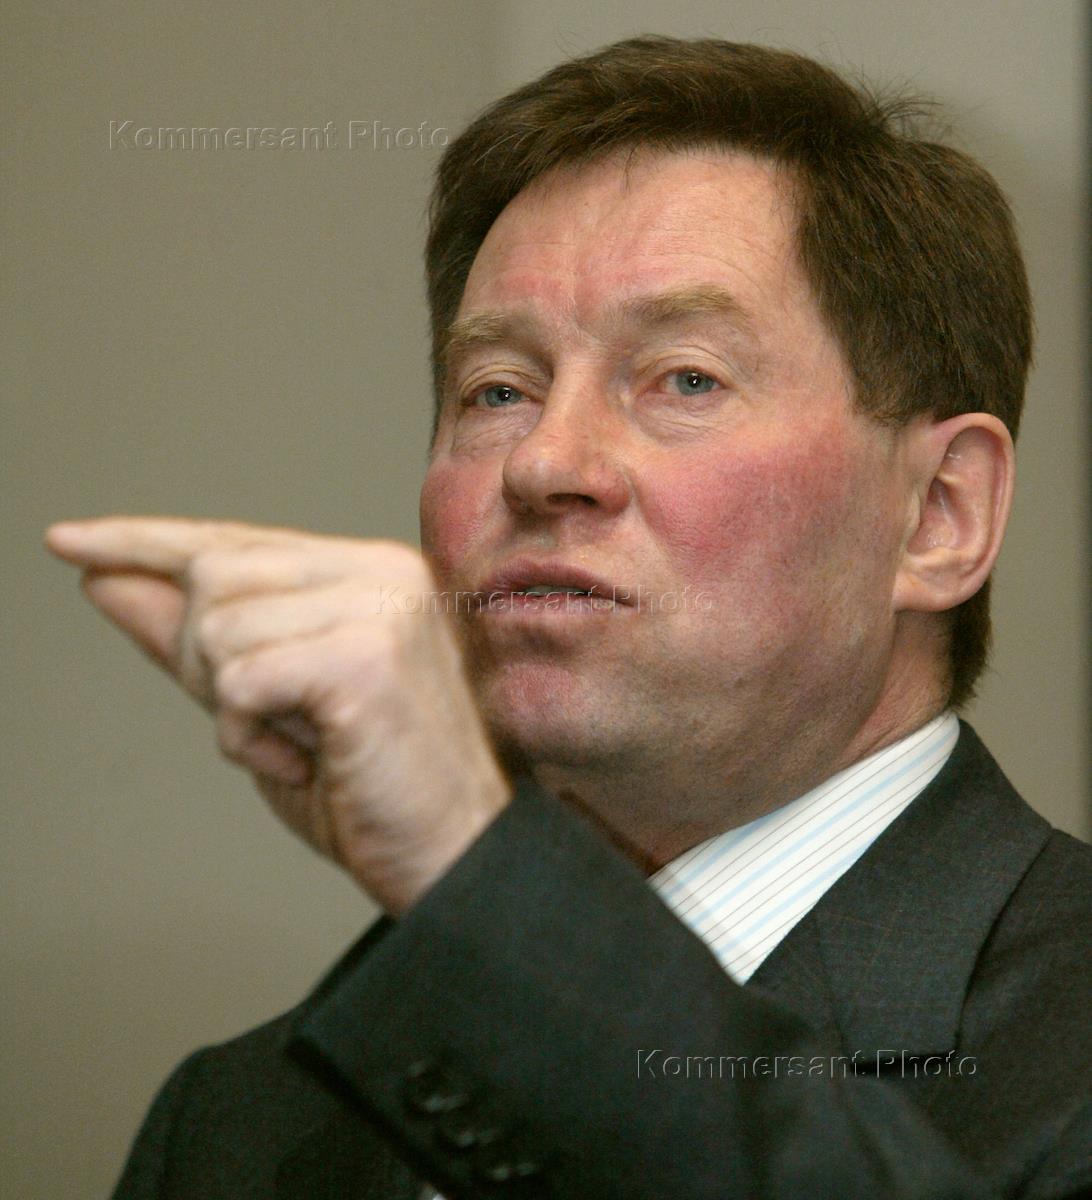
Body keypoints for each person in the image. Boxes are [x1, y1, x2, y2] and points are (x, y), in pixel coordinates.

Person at [45, 35, 1089, 1200]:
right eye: (498, 390)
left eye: (684, 379)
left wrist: (476, 876)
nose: (543, 463)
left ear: (938, 514)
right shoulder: (232, 1127)